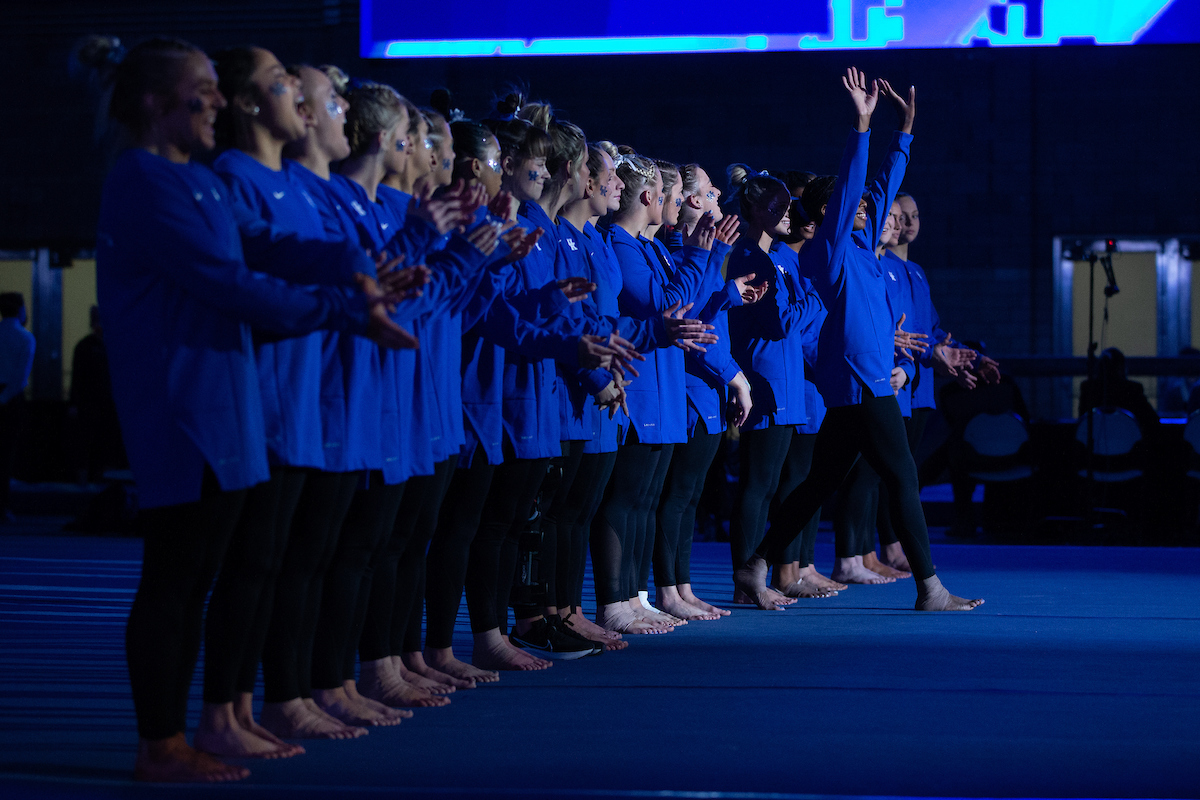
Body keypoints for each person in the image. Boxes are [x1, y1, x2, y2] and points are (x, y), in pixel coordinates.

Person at [83, 35, 415, 782]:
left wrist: (348, 266)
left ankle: (196, 725)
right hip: (183, 404)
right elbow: (226, 280)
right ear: (153, 105)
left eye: (215, 87)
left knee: (200, 574)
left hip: (220, 402)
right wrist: (344, 305)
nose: (215, 102)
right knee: (177, 579)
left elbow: (259, 245)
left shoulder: (189, 179)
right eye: (199, 90)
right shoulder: (143, 178)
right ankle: (160, 740)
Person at [766, 68, 982, 612]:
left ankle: (753, 563)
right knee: (903, 479)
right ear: (828, 213)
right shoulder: (829, 251)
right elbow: (851, 192)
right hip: (862, 382)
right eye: (855, 206)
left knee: (820, 483)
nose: (868, 209)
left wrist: (904, 133)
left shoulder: (863, 250)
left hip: (861, 380)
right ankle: (930, 588)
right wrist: (862, 126)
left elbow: (881, 187)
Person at [0, 292, 34, 520]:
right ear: (21, 309)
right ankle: (3, 507)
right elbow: (21, 379)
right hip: (11, 401)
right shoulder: (25, 337)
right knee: (6, 455)